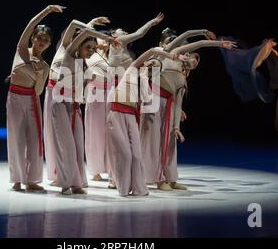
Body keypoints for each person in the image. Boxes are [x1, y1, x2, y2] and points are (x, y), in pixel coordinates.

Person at [140, 32, 236, 191]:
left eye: (196, 60)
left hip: (168, 104)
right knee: (153, 141)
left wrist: (177, 127)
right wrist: (214, 40)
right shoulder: (168, 54)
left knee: (170, 142)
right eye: (192, 57)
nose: (193, 61)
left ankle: (170, 178)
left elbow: (177, 104)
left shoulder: (182, 77)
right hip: (153, 100)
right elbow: (198, 43)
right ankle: (157, 178)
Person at [85, 13, 165, 182]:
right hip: (115, 91)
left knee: (120, 134)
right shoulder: (117, 44)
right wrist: (152, 22)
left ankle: (118, 172)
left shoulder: (124, 50)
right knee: (110, 133)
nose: (124, 33)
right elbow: (140, 34)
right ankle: (109, 174)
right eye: (121, 31)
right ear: (114, 36)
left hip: (125, 92)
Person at [106, 46, 187, 197]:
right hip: (116, 113)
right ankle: (122, 187)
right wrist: (170, 55)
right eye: (151, 63)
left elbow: (147, 99)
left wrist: (145, 78)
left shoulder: (145, 81)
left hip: (131, 116)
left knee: (136, 155)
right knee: (125, 154)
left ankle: (138, 188)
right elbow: (151, 52)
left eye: (156, 67)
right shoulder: (132, 67)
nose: (152, 66)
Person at [50, 28, 119, 195]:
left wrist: (86, 83)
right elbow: (76, 28)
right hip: (59, 103)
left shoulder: (85, 64)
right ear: (78, 46)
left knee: (78, 145)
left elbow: (80, 91)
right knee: (66, 145)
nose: (91, 51)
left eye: (93, 49)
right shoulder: (68, 56)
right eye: (88, 47)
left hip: (74, 106)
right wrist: (103, 36)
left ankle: (76, 182)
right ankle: (65, 183)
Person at [6, 4, 65, 193]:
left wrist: (40, 74)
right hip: (15, 97)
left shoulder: (45, 66)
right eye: (39, 37)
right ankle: (16, 179)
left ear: (49, 44)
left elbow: (38, 91)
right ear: (33, 38)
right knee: (16, 138)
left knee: (33, 140)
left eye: (46, 40)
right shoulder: (22, 50)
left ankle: (32, 180)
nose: (41, 41)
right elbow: (31, 24)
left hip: (31, 101)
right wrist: (47, 10)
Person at [221, 38, 278, 141]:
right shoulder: (272, 54)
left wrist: (254, 66)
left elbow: (264, 51)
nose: (264, 42)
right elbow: (257, 53)